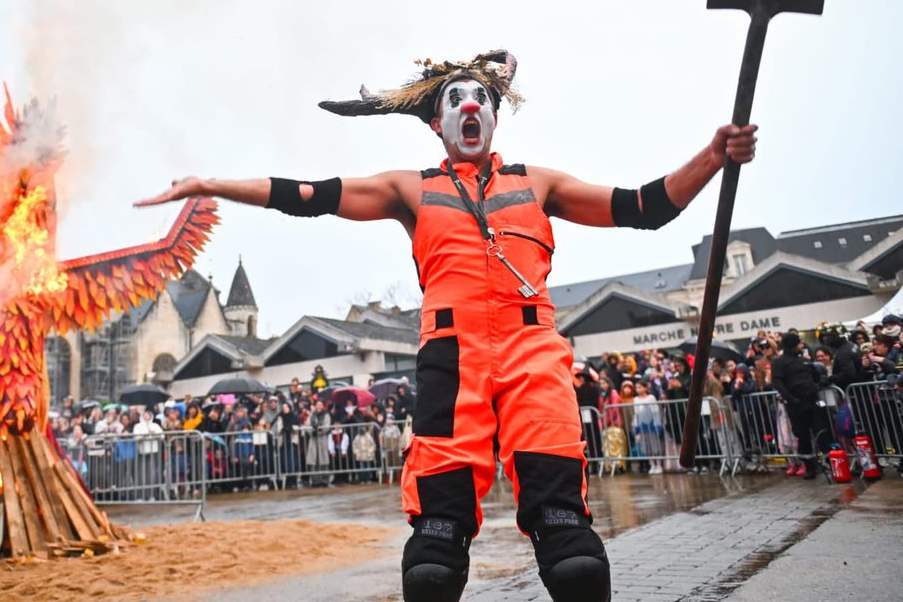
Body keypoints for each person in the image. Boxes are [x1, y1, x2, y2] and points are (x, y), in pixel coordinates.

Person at [137, 47, 757, 602]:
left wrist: (712, 156)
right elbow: (309, 194)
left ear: (493, 116)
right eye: (455, 99)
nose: (469, 105)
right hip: (450, 357)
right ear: (438, 122)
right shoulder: (410, 188)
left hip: (532, 350)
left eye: (480, 98)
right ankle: (441, 541)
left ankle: (565, 540)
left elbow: (644, 207)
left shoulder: (538, 183)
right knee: (433, 559)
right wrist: (212, 184)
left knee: (572, 553)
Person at [771, 332, 829, 478]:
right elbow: (778, 383)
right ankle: (810, 466)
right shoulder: (779, 363)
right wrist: (791, 399)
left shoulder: (804, 361)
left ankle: (828, 462)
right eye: (798, 343)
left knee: (821, 432)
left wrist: (819, 382)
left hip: (812, 401)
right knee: (802, 436)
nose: (801, 346)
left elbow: (816, 376)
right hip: (796, 405)